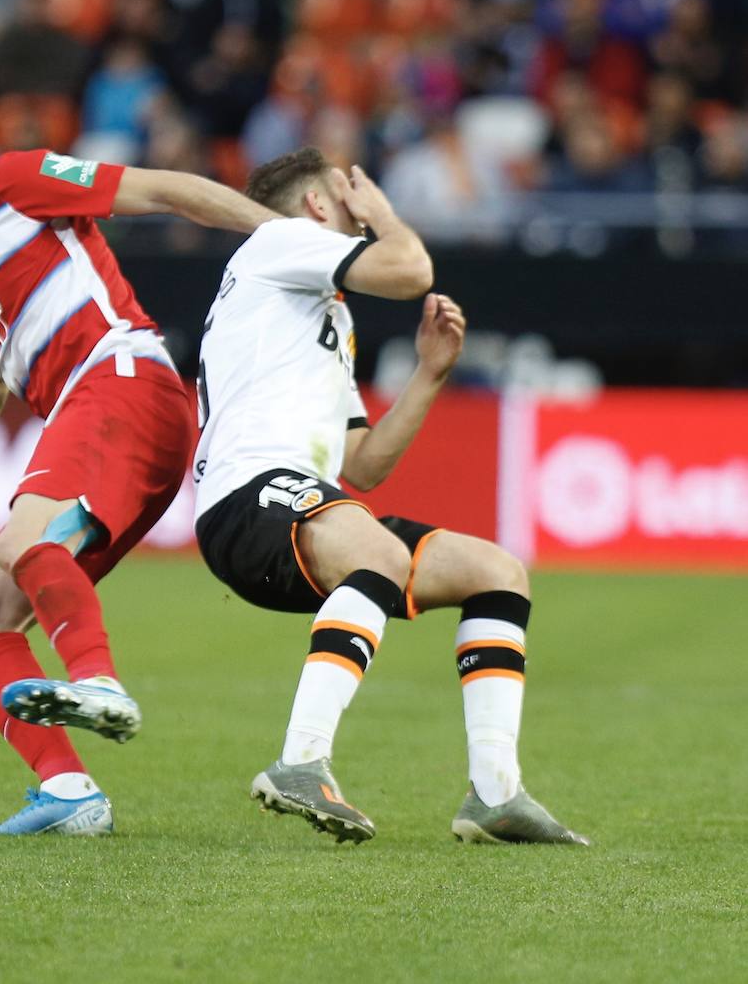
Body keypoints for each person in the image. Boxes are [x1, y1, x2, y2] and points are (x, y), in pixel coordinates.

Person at [0, 100, 280, 836]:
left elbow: (167, 189)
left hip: (123, 381)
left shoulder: (16, 182)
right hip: (106, 425)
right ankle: (71, 792)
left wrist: (289, 237)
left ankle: (99, 682)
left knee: (21, 542)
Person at [192, 147, 590, 846]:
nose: (358, 209)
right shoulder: (277, 240)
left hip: (300, 503)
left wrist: (431, 374)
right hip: (245, 494)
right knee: (376, 549)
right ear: (319, 206)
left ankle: (496, 795)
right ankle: (300, 760)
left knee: (496, 573)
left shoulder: (321, 315)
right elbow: (412, 270)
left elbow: (365, 466)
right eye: (346, 199)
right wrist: (382, 212)